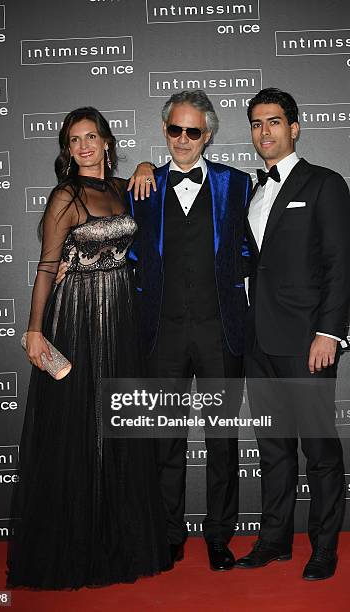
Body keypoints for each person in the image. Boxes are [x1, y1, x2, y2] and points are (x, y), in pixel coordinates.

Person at [6, 107, 171, 590]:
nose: (83, 146)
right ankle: (74, 547)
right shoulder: (66, 196)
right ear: (67, 149)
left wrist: (144, 167)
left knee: (116, 427)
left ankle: (121, 541)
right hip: (76, 315)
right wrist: (35, 331)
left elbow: (156, 182)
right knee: (76, 428)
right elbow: (45, 268)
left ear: (105, 142)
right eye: (74, 139)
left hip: (120, 316)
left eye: (91, 136)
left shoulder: (122, 190)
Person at [127, 90, 251, 570]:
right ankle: (169, 533)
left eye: (193, 131)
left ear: (208, 135)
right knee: (165, 440)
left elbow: (252, 250)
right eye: (174, 129)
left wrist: (224, 276)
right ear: (164, 131)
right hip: (162, 334)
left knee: (223, 442)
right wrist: (141, 166)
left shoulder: (236, 184)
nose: (183, 139)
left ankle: (219, 537)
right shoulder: (141, 186)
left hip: (222, 332)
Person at [235, 88, 350, 580]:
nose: (265, 132)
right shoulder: (252, 191)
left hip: (307, 341)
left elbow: (342, 264)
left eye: (274, 122)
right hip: (258, 343)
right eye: (257, 124)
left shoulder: (325, 184)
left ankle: (324, 548)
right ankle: (274, 540)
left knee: (319, 452)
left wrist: (330, 332)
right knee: (273, 446)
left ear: (295, 127)